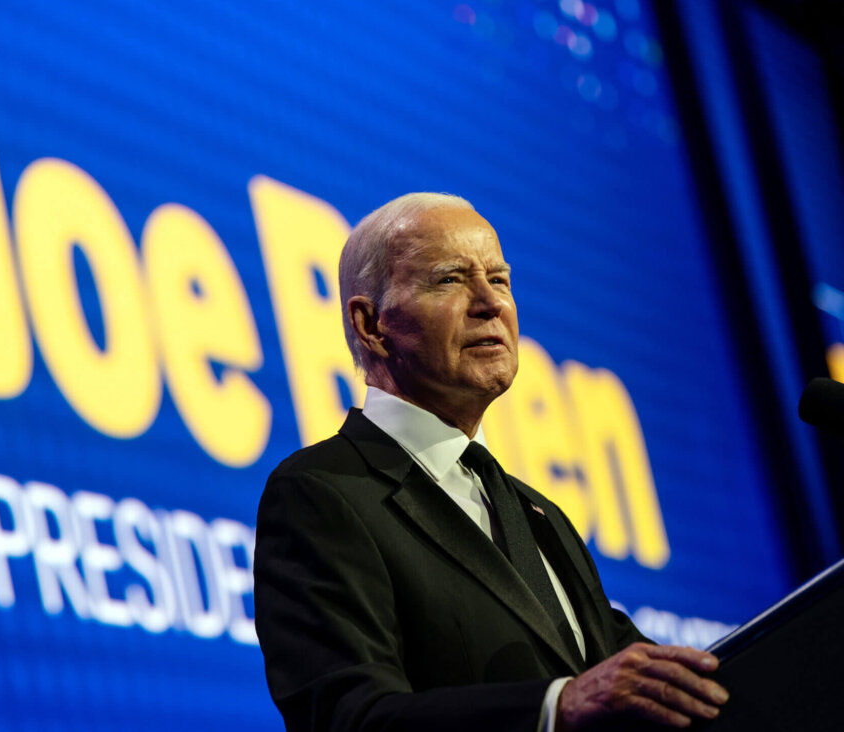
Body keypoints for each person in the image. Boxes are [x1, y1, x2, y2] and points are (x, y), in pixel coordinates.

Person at [253, 193, 729, 732]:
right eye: (451, 280)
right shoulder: (322, 493)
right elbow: (348, 717)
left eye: (499, 280)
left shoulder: (536, 513)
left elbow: (643, 681)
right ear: (371, 324)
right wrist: (554, 709)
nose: (490, 303)